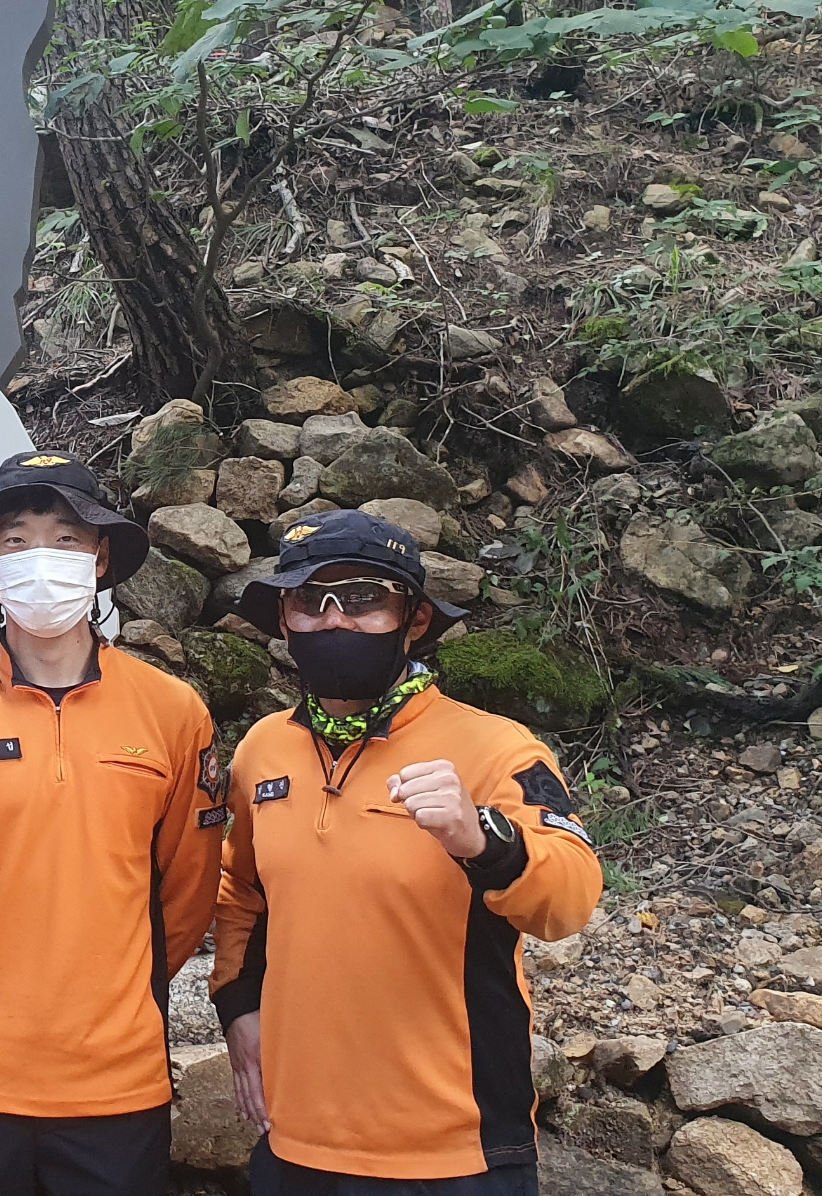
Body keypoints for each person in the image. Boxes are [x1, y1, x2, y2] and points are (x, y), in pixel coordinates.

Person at [0, 452, 226, 1196]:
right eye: (16, 541)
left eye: (66, 539)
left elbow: (187, 895)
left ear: (100, 559)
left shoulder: (172, 711)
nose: (41, 559)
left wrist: (110, 993)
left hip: (116, 1086)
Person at [213, 510, 604, 1195]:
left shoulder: (495, 748)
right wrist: (239, 1005)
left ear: (414, 619)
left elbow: (571, 899)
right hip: (296, 1138)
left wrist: (484, 840)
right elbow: (240, 891)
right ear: (283, 619)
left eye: (363, 598)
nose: (334, 620)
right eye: (309, 600)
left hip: (452, 1150)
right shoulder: (263, 750)